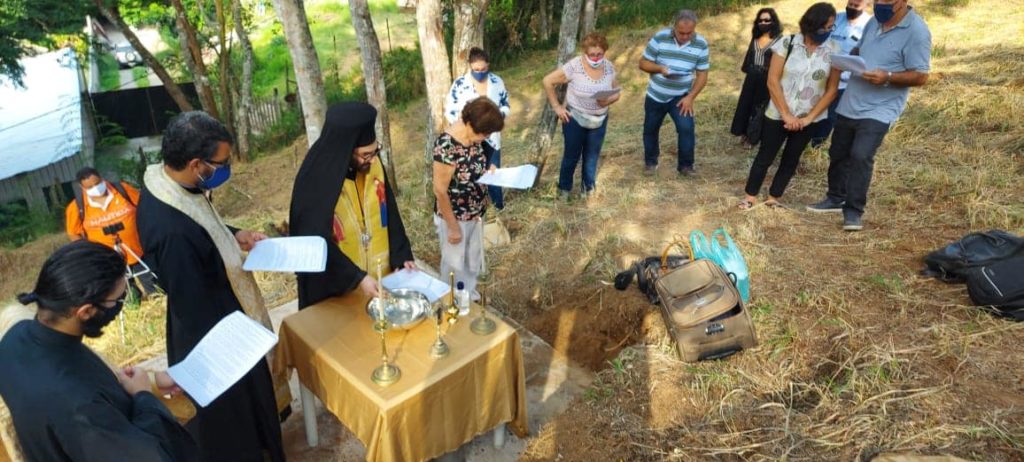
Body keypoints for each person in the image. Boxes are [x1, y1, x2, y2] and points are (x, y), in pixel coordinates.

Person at [136, 111, 288, 461]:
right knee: (234, 417)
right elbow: (193, 301)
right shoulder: (170, 231)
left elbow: (203, 225)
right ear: (195, 164)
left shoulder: (170, 182)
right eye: (221, 163)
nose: (225, 168)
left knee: (254, 404)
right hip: (214, 335)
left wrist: (235, 235)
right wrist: (239, 339)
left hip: (223, 310)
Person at [0, 241, 197, 462]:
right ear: (86, 311)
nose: (122, 304)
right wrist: (144, 397)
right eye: (118, 299)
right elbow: (148, 455)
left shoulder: (14, 339)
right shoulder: (81, 408)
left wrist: (149, 381)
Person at [806, 0, 931, 231]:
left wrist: (889, 76)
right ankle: (835, 197)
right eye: (877, 1)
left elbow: (921, 76)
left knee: (861, 154)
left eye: (887, 2)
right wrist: (849, 60)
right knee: (838, 151)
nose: (880, 6)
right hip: (852, 99)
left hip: (882, 106)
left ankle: (853, 211)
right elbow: (860, 49)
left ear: (902, 2)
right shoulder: (874, 21)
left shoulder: (917, 31)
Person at [289, 102, 416, 308]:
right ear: (346, 151)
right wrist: (357, 278)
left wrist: (401, 254)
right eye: (366, 154)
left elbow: (388, 209)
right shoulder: (315, 178)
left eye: (376, 151)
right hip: (337, 287)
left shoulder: (371, 163)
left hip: (377, 275)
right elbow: (313, 242)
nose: (374, 160)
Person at [739, 3, 841, 210]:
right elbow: (773, 81)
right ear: (811, 24)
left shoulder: (834, 50)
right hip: (778, 114)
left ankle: (774, 197)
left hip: (809, 118)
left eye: (831, 27)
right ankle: (750, 196)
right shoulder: (787, 43)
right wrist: (786, 114)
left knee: (791, 159)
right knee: (765, 156)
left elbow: (831, 90)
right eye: (824, 27)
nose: (828, 32)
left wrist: (808, 118)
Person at [432, 98, 504, 298]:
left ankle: (469, 296)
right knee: (454, 265)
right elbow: (439, 190)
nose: (487, 137)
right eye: (485, 133)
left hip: (475, 212)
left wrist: (488, 169)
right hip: (455, 217)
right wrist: (453, 226)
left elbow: (474, 165)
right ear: (471, 124)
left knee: (472, 259)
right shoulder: (447, 145)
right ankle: (450, 303)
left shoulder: (473, 138)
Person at [542, 32, 621, 200]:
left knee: (592, 156)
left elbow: (617, 92)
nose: (596, 57)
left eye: (599, 54)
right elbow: (547, 81)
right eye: (592, 54)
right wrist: (557, 107)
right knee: (571, 155)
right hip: (574, 118)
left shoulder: (608, 67)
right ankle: (564, 190)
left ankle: (588, 189)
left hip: (599, 120)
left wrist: (606, 102)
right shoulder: (574, 66)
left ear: (604, 52)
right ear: (585, 52)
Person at [64, 167, 157, 297]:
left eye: (97, 183)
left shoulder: (122, 190)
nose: (95, 188)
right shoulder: (77, 207)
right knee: (127, 295)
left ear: (102, 178)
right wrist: (88, 252)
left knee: (155, 287)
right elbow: (73, 232)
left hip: (139, 251)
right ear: (82, 187)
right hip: (109, 260)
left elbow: (145, 206)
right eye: (89, 187)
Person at [639, 9, 709, 177]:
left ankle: (686, 167)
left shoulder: (701, 44)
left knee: (686, 129)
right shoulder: (660, 37)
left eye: (689, 33)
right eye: (681, 32)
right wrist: (660, 68)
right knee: (650, 129)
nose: (685, 36)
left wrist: (690, 97)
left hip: (681, 96)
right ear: (674, 28)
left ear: (695, 28)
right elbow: (643, 63)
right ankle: (650, 163)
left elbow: (702, 75)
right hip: (656, 94)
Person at [445, 47, 511, 210]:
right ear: (470, 67)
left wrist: (494, 119)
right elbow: (450, 111)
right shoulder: (460, 85)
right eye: (476, 70)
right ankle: (476, 209)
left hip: (492, 139)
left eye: (483, 69)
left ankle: (498, 209)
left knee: (493, 173)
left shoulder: (497, 82)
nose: (480, 72)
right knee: (472, 176)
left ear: (488, 65)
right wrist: (466, 127)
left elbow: (505, 105)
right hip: (469, 139)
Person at [810, 0, 873, 146]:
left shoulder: (869, 25)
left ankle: (815, 146)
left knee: (830, 116)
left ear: (866, 5)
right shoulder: (836, 18)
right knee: (812, 109)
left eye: (856, 6)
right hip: (822, 75)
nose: (852, 8)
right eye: (850, 4)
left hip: (845, 81)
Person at [729, 8, 783, 149]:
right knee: (745, 105)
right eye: (760, 20)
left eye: (766, 20)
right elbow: (748, 58)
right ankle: (743, 132)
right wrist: (747, 72)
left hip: (766, 78)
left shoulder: (779, 41)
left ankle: (753, 137)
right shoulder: (755, 38)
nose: (763, 22)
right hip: (751, 77)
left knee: (759, 108)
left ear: (773, 22)